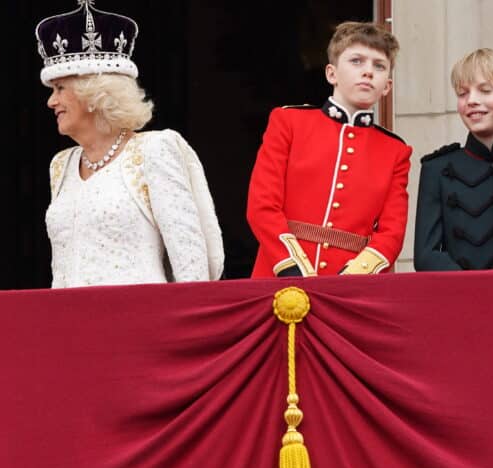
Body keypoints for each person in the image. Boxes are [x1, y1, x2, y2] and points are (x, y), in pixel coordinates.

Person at [36, 0, 224, 288]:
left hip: (142, 324)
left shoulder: (154, 150)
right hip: (70, 325)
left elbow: (191, 268)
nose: (51, 101)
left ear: (95, 93)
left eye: (60, 88)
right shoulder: (61, 164)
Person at [247, 21, 412, 277]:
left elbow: (392, 231)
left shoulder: (395, 151)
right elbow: (262, 205)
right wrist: (291, 265)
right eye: (356, 61)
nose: (368, 71)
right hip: (281, 274)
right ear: (331, 74)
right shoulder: (288, 122)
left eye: (378, 66)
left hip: (352, 287)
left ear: (387, 86)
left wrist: (355, 276)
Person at [414, 49, 493, 271]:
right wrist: (475, 289)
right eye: (463, 93)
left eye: (485, 90)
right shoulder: (437, 168)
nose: (472, 100)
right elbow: (426, 256)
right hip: (461, 299)